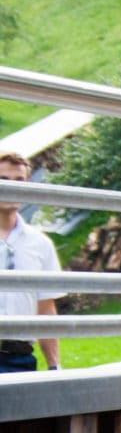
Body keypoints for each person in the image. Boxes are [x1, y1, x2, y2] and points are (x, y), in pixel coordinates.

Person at [0, 151, 63, 373]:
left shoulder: (40, 243)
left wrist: (55, 366)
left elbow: (46, 308)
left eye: (19, 181)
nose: (12, 187)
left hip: (20, 360)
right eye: (4, 180)